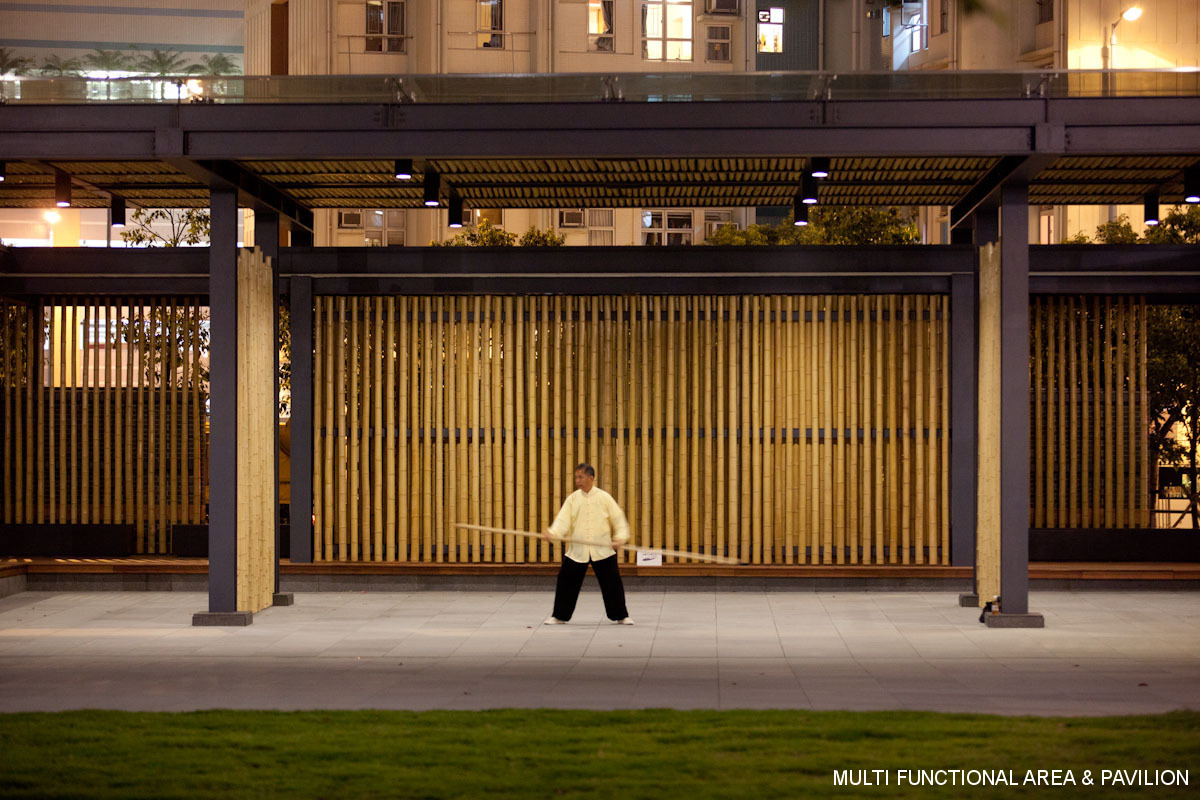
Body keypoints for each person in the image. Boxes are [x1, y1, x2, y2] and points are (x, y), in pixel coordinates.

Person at [541, 463, 634, 625]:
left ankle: (621, 615)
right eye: (576, 477)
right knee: (566, 582)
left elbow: (618, 518)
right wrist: (553, 533)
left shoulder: (604, 497)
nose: (577, 480)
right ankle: (559, 616)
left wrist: (621, 537)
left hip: (602, 549)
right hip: (578, 551)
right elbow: (562, 520)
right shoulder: (572, 499)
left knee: (612, 583)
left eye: (580, 477)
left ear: (591, 478)